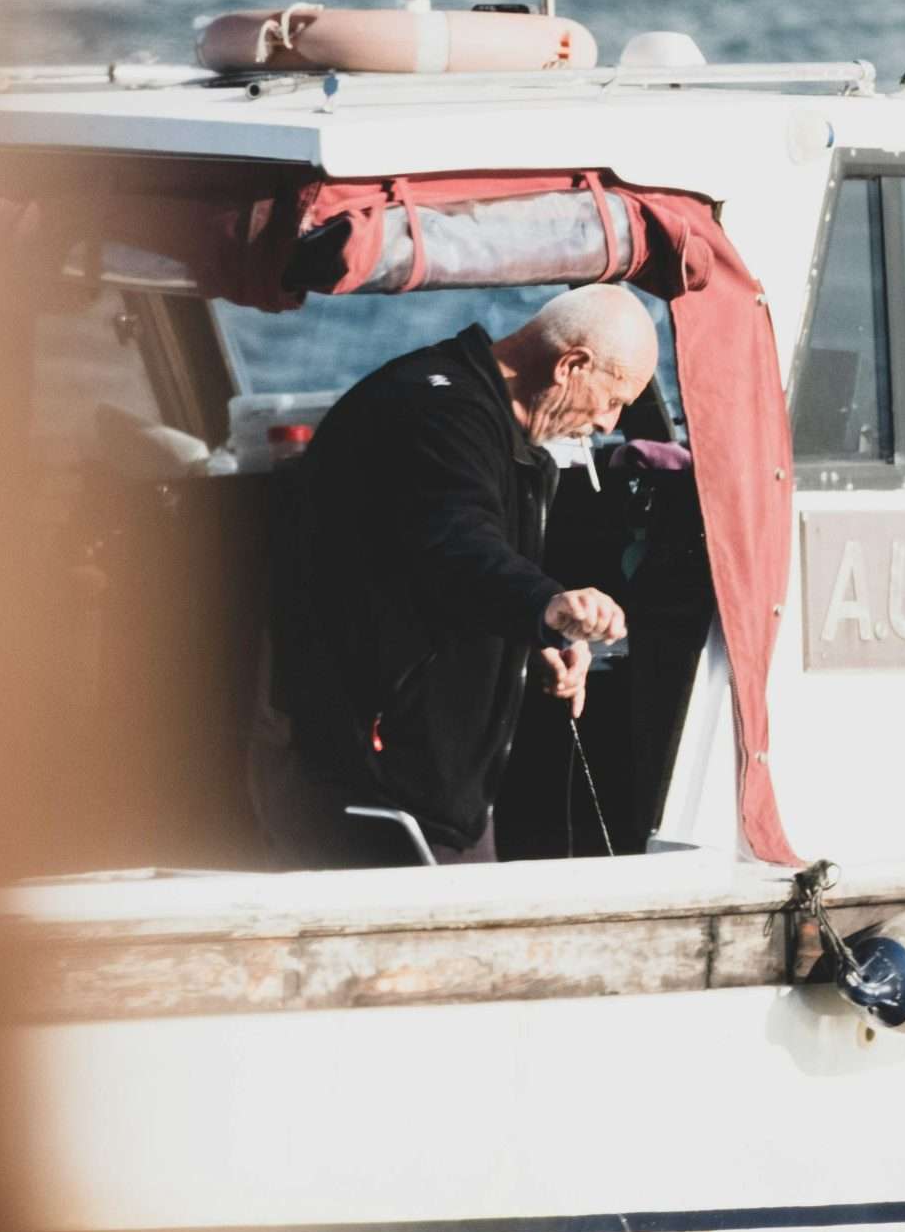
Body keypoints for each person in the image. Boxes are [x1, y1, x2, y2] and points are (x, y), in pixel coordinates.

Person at [253, 285, 661, 867]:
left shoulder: (495, 420)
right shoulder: (438, 412)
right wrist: (546, 605)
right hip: (371, 779)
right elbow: (456, 543)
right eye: (613, 398)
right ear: (571, 365)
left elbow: (446, 570)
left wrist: (533, 637)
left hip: (433, 784)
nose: (607, 422)